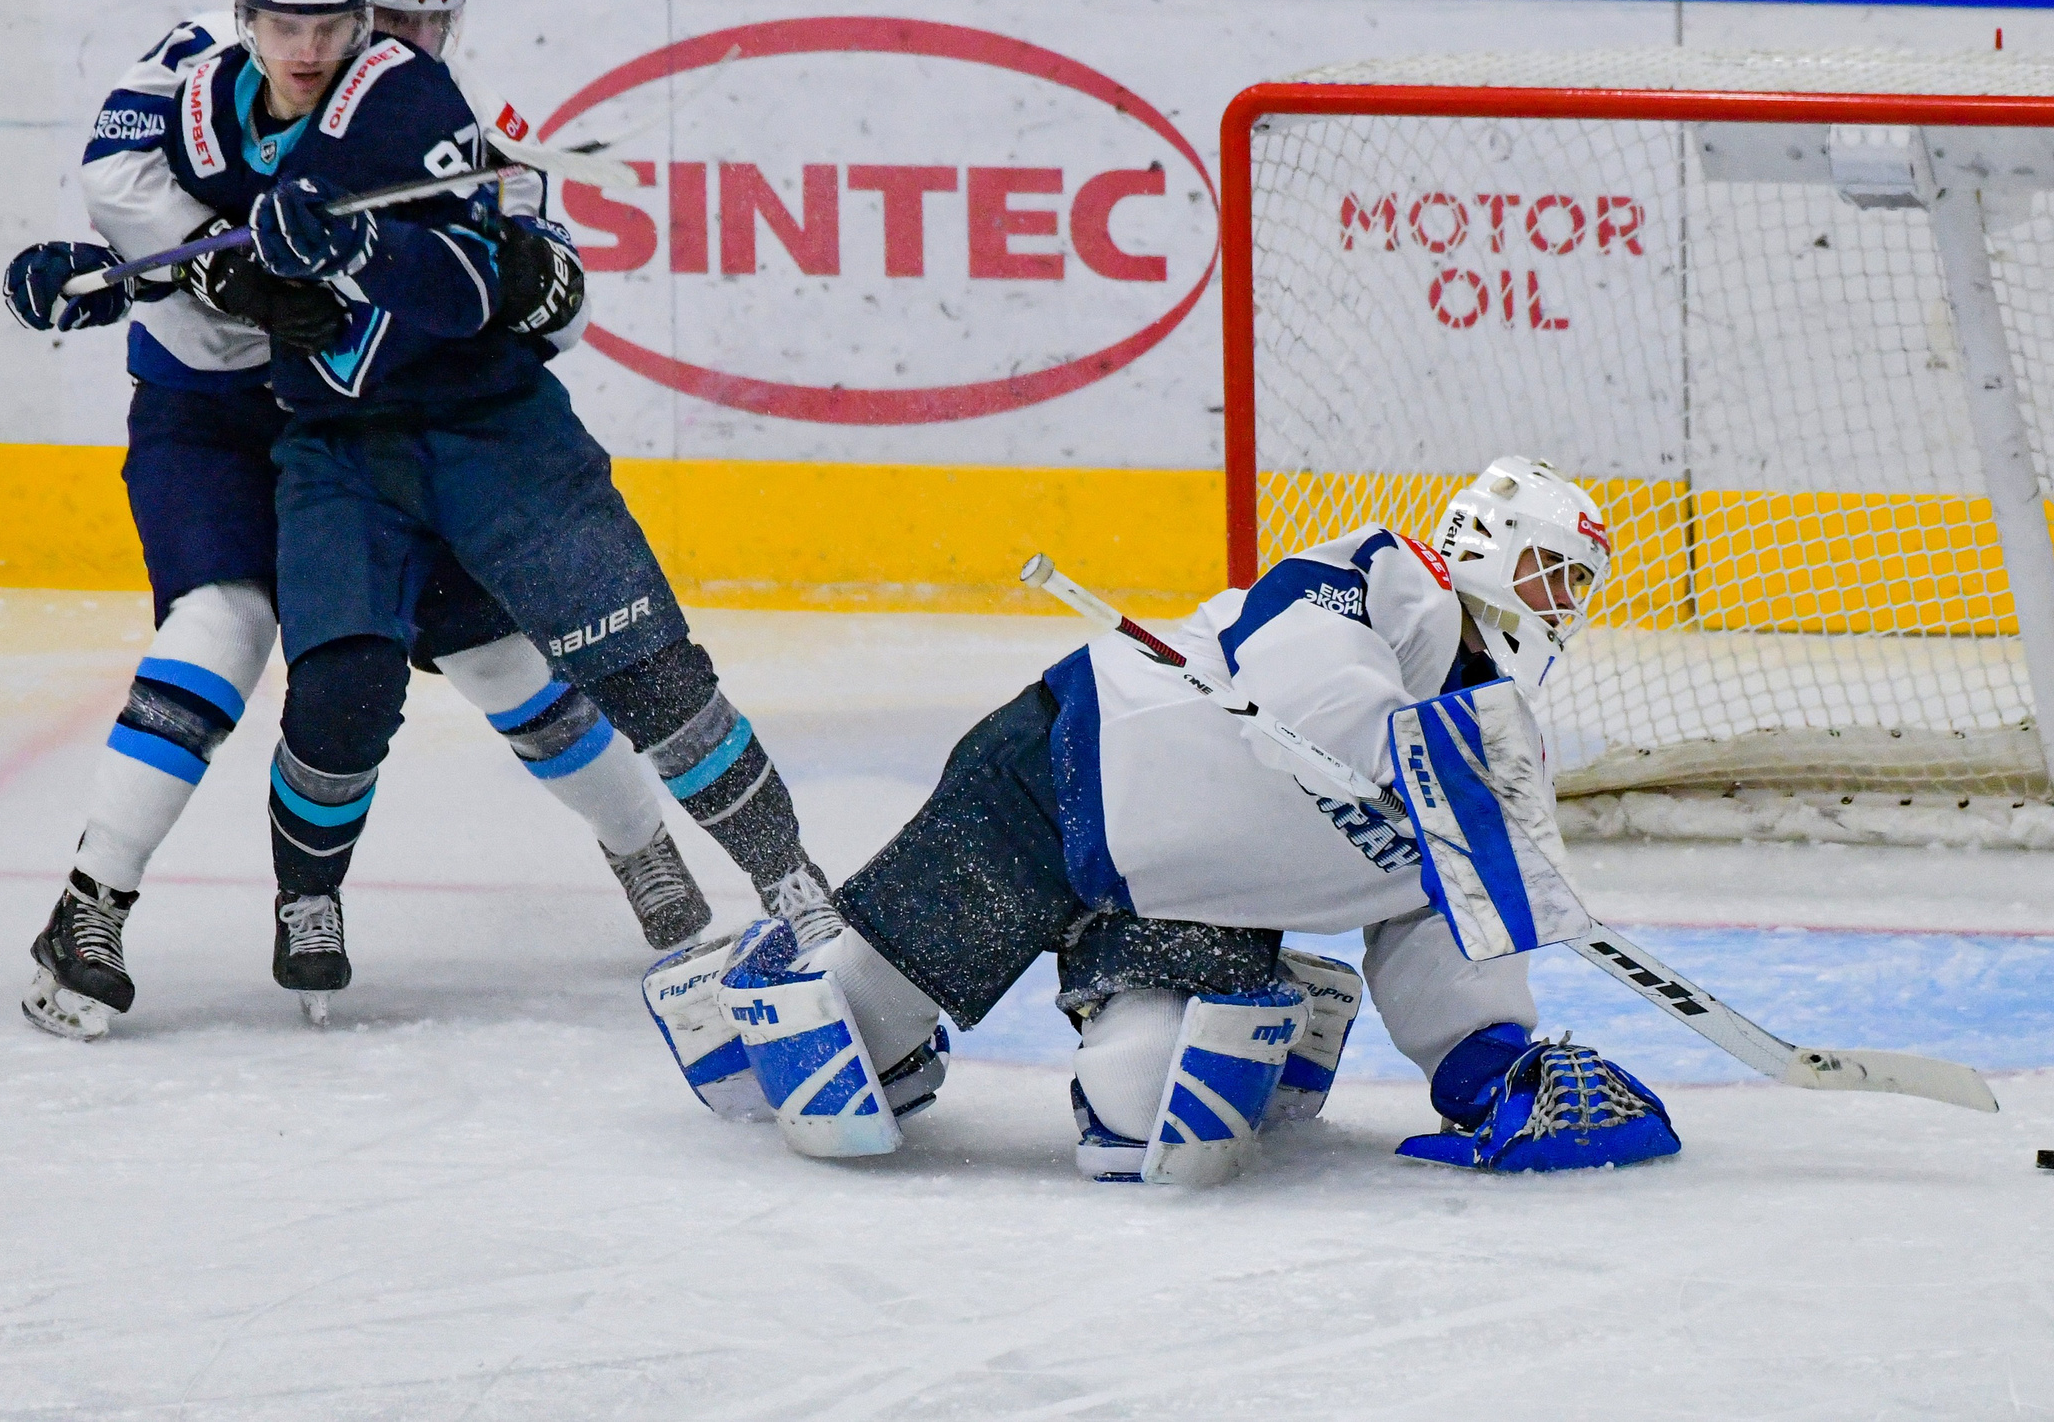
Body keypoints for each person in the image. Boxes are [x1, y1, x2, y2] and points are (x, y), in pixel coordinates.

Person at [95, 0, 836, 1017]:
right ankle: (302, 897)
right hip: (326, 443)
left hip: (482, 437)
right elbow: (140, 203)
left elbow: (538, 299)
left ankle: (746, 870)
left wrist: (506, 273)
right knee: (337, 683)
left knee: (577, 666)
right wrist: (132, 275)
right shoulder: (220, 84)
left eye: (428, 21)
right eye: (391, 18)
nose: (404, 44)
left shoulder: (435, 114)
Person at [649, 458, 1681, 1182]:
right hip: (1063, 773)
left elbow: (1452, 919)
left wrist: (1487, 1068)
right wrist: (1397, 755)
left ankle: (1249, 1001)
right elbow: (1299, 671)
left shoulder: (1495, 753)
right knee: (841, 1045)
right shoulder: (1388, 577)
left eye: (1577, 588)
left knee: (1155, 1121)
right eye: (1552, 570)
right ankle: (768, 973)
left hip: (1194, 896)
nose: (1561, 603)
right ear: (1484, 542)